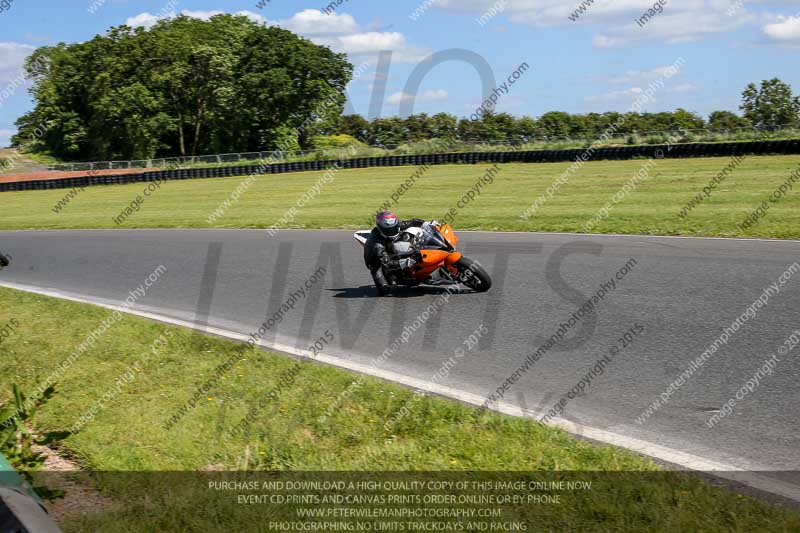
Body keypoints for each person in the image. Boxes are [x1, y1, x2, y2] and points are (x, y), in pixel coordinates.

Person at [363, 211, 426, 295]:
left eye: (394, 228)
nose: (392, 231)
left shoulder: (396, 225)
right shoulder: (377, 244)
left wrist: (427, 224)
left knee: (406, 241)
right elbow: (386, 263)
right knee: (384, 290)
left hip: (389, 244)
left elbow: (413, 221)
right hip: (377, 261)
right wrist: (406, 262)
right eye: (388, 230)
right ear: (380, 228)